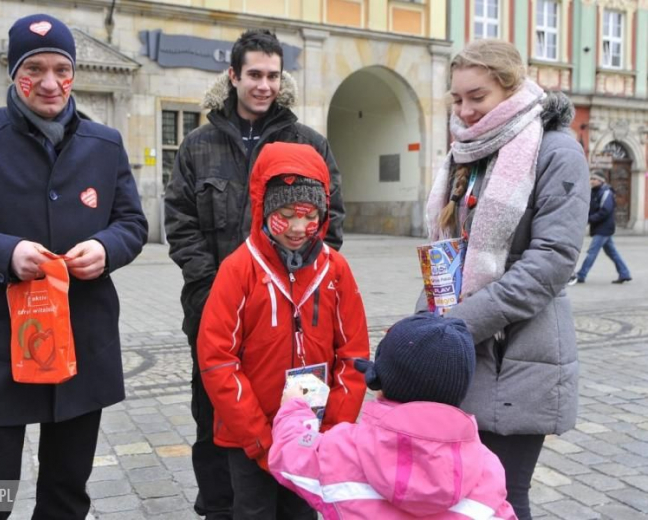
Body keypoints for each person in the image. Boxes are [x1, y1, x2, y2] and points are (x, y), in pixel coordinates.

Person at [0, 14, 148, 519]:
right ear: (12, 72)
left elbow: (132, 223)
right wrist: (5, 253)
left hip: (80, 341)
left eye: (62, 69)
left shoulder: (105, 143)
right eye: (35, 69)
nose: (50, 83)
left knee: (67, 493)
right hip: (2, 343)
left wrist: (107, 248)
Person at [164, 29, 345, 519]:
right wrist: (213, 292)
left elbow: (332, 223)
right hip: (213, 313)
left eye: (272, 75)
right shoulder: (198, 145)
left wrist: (300, 285)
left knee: (295, 412)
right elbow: (179, 225)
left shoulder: (307, 143)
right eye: (254, 75)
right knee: (215, 418)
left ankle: (292, 494)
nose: (264, 85)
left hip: (292, 315)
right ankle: (221, 508)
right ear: (233, 76)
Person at [417, 40, 589, 520]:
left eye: (478, 97)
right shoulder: (465, 154)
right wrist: (418, 334)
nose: (465, 110)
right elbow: (447, 257)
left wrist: (457, 325)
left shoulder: (555, 150)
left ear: (511, 89)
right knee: (458, 495)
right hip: (462, 356)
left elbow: (552, 261)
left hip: (521, 354)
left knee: (503, 499)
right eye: (457, 99)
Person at [196, 142, 368, 520]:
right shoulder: (239, 269)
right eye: (285, 214)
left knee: (302, 514)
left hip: (312, 434)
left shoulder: (335, 271)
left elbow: (352, 354)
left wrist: (334, 428)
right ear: (263, 209)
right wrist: (259, 438)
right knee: (253, 511)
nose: (296, 228)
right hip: (249, 438)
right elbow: (217, 359)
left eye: (308, 216)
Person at [269, 313, 517, 520]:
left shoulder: (342, 450)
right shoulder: (487, 468)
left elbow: (288, 453)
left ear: (379, 381)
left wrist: (294, 406)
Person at [568, 169, 632, 285]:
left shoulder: (606, 192)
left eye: (594, 179)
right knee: (612, 252)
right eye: (591, 178)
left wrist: (590, 219)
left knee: (592, 252)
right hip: (600, 227)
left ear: (600, 181)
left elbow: (605, 211)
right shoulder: (595, 192)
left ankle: (581, 275)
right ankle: (624, 273)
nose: (591, 181)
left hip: (604, 228)